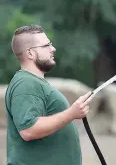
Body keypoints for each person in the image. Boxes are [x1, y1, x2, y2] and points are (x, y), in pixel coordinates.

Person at [5, 24, 92, 165]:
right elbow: (28, 130)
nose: (53, 49)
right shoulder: (25, 83)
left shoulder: (33, 83)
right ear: (30, 53)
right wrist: (71, 113)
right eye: (46, 45)